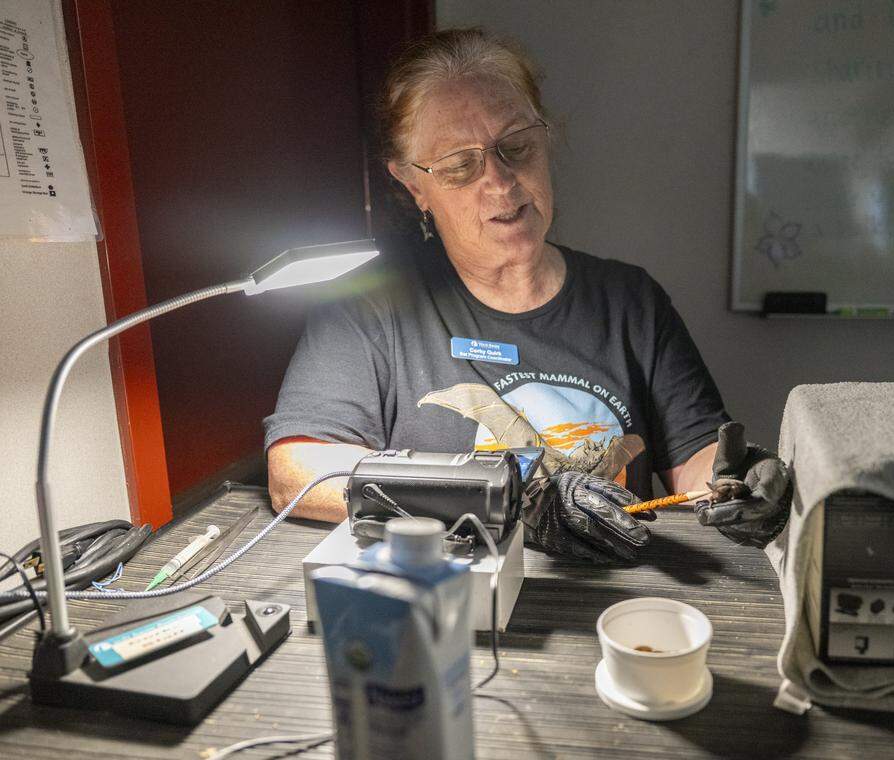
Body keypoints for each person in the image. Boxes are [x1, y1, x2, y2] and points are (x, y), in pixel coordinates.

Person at [264, 29, 788, 558]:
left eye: (516, 146)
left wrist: (736, 482)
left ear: (546, 138)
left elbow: (696, 461)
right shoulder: (370, 303)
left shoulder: (631, 301)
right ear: (412, 184)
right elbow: (297, 471)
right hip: (456, 604)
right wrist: (508, 500)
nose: (500, 181)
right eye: (458, 165)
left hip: (616, 607)